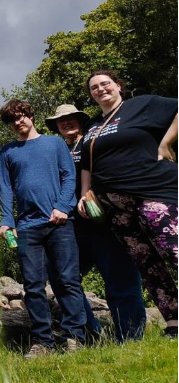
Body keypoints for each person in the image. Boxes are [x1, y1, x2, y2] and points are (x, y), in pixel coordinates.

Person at [76, 70, 178, 339]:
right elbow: (87, 163)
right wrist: (85, 193)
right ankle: (174, 322)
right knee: (148, 264)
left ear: (118, 86)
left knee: (174, 253)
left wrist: (167, 142)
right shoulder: (93, 126)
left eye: (105, 84)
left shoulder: (141, 105)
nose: (100, 89)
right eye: (94, 88)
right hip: (116, 209)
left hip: (154, 193)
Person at [45, 104, 145, 342]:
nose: (66, 123)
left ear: (80, 120)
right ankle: (91, 333)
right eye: (61, 120)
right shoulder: (55, 150)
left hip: (104, 221)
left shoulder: (95, 143)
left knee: (120, 278)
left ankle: (130, 338)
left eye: (71, 118)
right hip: (69, 226)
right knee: (60, 277)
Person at [0, 99, 86, 358]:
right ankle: (43, 342)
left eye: (22, 115)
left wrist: (62, 206)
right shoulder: (7, 152)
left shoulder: (55, 143)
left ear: (30, 115)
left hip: (60, 223)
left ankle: (74, 338)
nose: (18, 121)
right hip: (26, 228)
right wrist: (6, 221)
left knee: (68, 281)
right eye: (12, 119)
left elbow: (69, 176)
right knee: (33, 286)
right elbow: (4, 189)